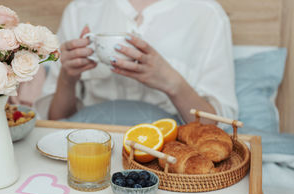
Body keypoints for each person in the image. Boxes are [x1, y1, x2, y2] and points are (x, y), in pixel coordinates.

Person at [35, 0, 238, 125]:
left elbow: (217, 127)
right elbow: (57, 119)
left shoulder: (208, 14)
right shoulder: (80, 10)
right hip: (91, 146)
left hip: (168, 151)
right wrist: (68, 77)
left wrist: (172, 83)